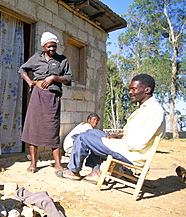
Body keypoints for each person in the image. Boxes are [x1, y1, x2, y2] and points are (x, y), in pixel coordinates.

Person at [56, 74, 165, 183]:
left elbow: (138, 143)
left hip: (131, 154)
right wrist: (118, 136)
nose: (130, 92)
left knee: (84, 137)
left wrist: (111, 141)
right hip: (126, 148)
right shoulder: (145, 109)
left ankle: (73, 171)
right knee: (92, 132)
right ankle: (95, 173)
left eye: (134, 89)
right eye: (130, 89)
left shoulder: (153, 111)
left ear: (147, 90)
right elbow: (138, 135)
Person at [19, 31, 72, 173]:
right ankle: (33, 163)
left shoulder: (62, 60)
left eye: (54, 46)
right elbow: (22, 69)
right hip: (37, 96)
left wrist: (54, 77)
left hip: (53, 97)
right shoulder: (36, 58)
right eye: (49, 46)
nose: (52, 49)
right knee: (33, 128)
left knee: (53, 128)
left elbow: (68, 79)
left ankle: (58, 164)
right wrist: (30, 82)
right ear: (44, 46)